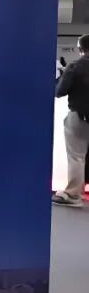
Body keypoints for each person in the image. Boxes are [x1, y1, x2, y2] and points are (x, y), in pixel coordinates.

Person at [54, 34, 89, 208]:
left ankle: (74, 194)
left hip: (80, 116)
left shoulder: (75, 67)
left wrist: (62, 75)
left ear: (81, 49)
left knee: (76, 156)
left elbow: (60, 91)